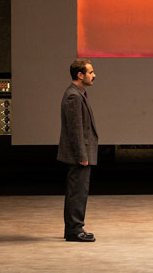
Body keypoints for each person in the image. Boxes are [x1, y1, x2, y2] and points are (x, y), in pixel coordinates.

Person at [58, 58, 99, 242]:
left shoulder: (79, 94)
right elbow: (75, 130)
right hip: (78, 155)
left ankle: (74, 228)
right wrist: (82, 155)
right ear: (80, 75)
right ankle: (74, 230)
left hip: (81, 153)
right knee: (77, 192)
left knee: (79, 191)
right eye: (90, 72)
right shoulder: (73, 96)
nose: (94, 75)